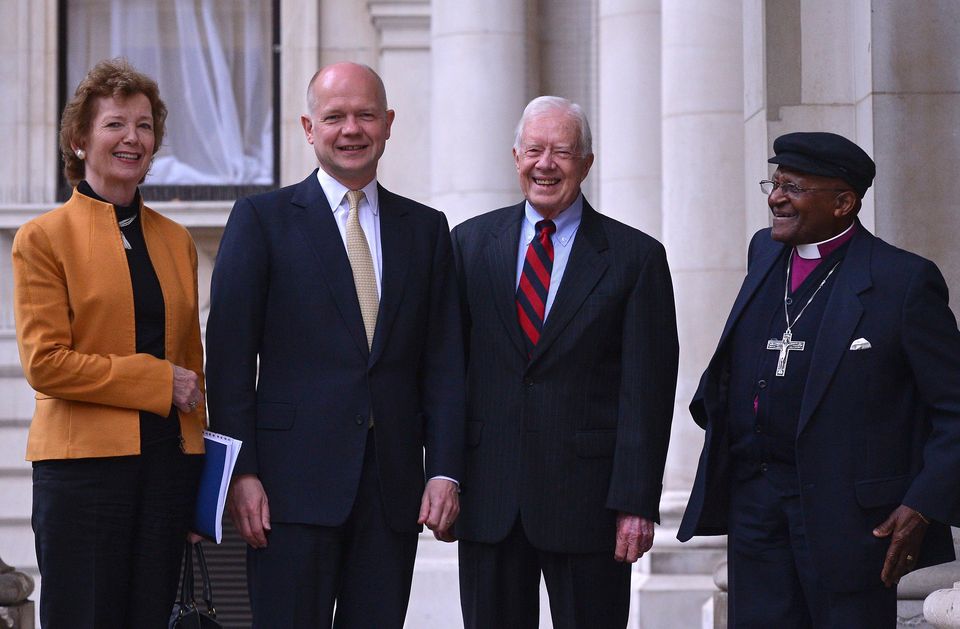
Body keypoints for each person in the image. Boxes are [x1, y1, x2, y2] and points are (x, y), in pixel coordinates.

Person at [205, 62, 465, 628]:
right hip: (285, 492)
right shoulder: (260, 221)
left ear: (389, 123)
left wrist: (445, 469)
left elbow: (444, 365)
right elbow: (226, 362)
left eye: (365, 115)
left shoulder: (425, 230)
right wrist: (240, 473)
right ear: (308, 127)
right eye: (335, 117)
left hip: (392, 493)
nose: (351, 129)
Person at [678, 131, 960, 627]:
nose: (776, 197)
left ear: (843, 202)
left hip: (850, 523)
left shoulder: (903, 281)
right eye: (775, 182)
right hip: (757, 507)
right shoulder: (763, 255)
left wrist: (921, 504)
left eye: (793, 186)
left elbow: (954, 408)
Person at [451, 96, 679, 629]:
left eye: (562, 151)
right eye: (534, 150)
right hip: (489, 499)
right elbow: (446, 374)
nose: (545, 164)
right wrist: (443, 476)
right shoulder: (467, 244)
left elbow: (646, 392)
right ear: (515, 156)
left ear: (587, 162)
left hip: (590, 505)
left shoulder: (636, 258)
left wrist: (636, 501)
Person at [11, 58, 207, 628]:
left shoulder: (176, 241)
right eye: (116, 124)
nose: (133, 138)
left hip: (166, 473)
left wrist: (200, 481)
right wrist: (156, 380)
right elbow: (46, 364)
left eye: (145, 126)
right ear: (79, 140)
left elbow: (193, 371)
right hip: (82, 475)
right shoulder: (42, 238)